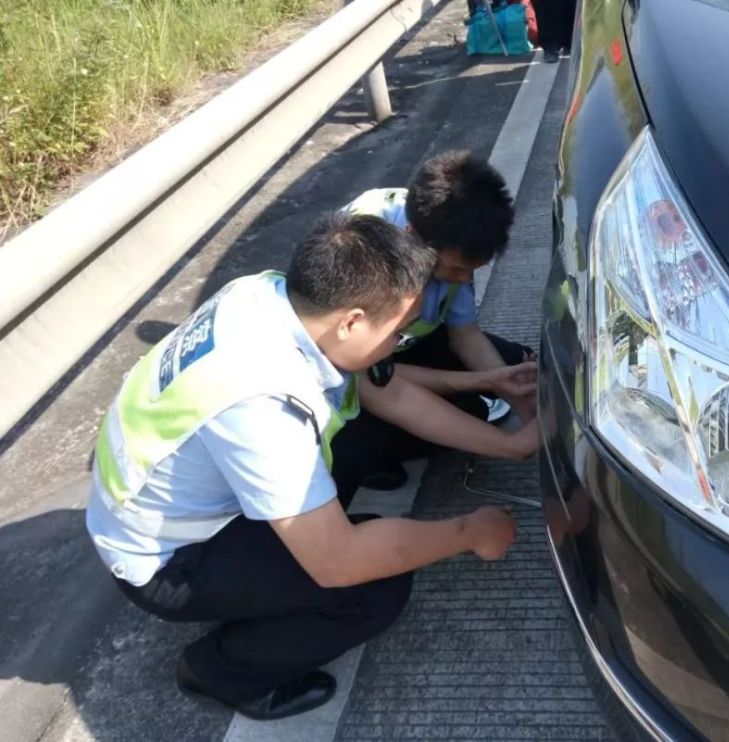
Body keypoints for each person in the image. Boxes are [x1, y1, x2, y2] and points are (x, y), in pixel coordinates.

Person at [85, 213, 540, 720]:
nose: (399, 345)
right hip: (167, 561)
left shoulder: (270, 297)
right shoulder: (263, 402)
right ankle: (221, 671)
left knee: (364, 433)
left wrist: (514, 446)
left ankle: (273, 574)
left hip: (169, 499)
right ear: (352, 322)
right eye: (398, 331)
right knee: (373, 586)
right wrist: (468, 532)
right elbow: (339, 561)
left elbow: (391, 396)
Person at [338, 150, 537, 491]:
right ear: (413, 237)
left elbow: (465, 334)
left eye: (471, 271)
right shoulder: (362, 262)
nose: (462, 280)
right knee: (460, 416)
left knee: (520, 368)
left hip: (400, 349)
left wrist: (517, 399)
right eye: (454, 270)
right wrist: (486, 387)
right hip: (355, 373)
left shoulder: (447, 231)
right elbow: (378, 381)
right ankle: (367, 460)